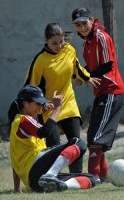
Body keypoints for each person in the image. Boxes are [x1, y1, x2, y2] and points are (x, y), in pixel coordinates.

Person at [23, 23, 100, 174]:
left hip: (68, 103)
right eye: (54, 43)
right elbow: (31, 87)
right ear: (45, 41)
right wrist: (40, 106)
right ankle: (52, 177)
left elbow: (76, 67)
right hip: (49, 109)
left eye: (61, 41)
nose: (59, 46)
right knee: (54, 146)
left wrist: (87, 78)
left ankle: (76, 176)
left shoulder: (69, 50)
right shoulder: (40, 61)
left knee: (76, 143)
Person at [8, 85, 98, 193]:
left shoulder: (23, 124)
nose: (40, 106)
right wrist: (57, 108)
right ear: (25, 103)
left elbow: (15, 162)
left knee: (91, 179)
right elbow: (45, 132)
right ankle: (50, 175)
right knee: (78, 143)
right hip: (36, 170)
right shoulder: (23, 120)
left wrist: (17, 189)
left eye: (41, 104)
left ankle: (61, 185)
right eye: (37, 103)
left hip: (36, 184)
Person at [71, 7, 124, 183]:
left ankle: (92, 177)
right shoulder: (87, 42)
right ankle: (103, 175)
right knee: (93, 135)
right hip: (102, 93)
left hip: (112, 91)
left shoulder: (101, 37)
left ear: (92, 20)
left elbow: (107, 66)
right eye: (77, 25)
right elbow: (92, 67)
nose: (81, 27)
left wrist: (87, 77)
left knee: (96, 137)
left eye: (84, 23)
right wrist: (80, 76)